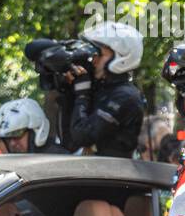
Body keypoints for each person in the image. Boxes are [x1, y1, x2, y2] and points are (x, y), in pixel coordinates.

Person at [62, 21, 145, 157]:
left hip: (115, 169)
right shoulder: (103, 90)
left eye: (99, 54)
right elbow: (69, 142)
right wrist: (68, 91)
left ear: (121, 58)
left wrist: (82, 95)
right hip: (96, 168)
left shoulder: (125, 96)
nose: (94, 60)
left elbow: (82, 136)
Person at [0, 98, 67, 154]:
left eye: (17, 135)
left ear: (35, 131)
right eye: (8, 139)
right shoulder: (13, 162)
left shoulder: (58, 158)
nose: (12, 143)